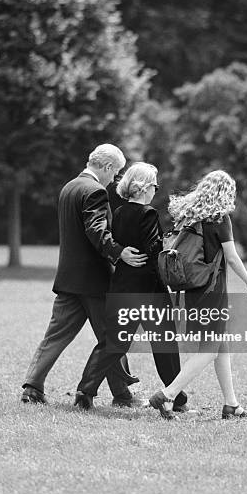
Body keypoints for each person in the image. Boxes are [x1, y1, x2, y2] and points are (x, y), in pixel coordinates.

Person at [21, 144, 148, 407]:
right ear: (107, 167)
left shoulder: (68, 187)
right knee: (114, 337)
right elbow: (96, 229)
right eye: (115, 174)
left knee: (55, 336)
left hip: (68, 279)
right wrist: (118, 251)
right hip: (94, 281)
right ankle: (121, 395)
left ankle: (32, 387)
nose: (114, 181)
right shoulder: (95, 191)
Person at [74, 162, 188, 412]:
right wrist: (169, 241)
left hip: (123, 286)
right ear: (145, 186)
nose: (155, 191)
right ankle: (176, 398)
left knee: (113, 343)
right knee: (164, 344)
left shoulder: (120, 211)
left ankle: (85, 391)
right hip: (149, 290)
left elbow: (124, 243)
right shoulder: (148, 213)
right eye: (155, 186)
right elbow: (153, 250)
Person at [149, 170, 247, 419]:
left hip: (193, 290)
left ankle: (231, 404)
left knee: (221, 347)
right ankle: (167, 395)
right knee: (209, 350)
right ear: (226, 192)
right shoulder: (220, 219)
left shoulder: (190, 217)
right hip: (212, 292)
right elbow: (231, 257)